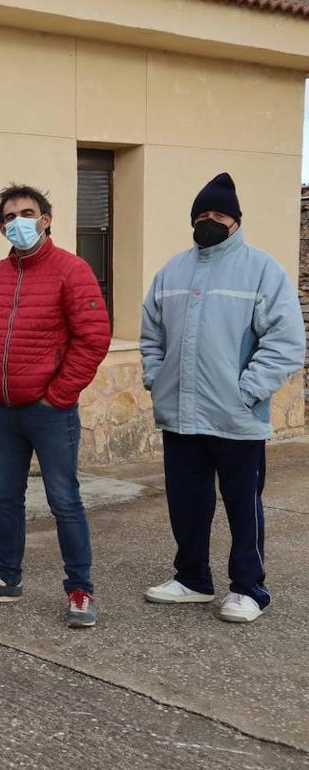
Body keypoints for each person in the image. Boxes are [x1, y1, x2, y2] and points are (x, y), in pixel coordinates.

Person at [140, 172, 304, 623]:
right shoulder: (171, 270)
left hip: (236, 417)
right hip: (180, 416)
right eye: (201, 215)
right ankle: (192, 578)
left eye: (219, 214)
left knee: (243, 507)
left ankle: (249, 588)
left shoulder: (262, 269)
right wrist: (156, 377)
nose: (209, 221)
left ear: (236, 220)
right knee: (187, 504)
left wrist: (247, 390)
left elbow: (287, 341)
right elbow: (151, 334)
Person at [0, 184, 111, 629]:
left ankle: (80, 589)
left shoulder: (72, 270)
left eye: (27, 213)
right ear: (1, 225)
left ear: (46, 219)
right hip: (1, 410)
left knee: (64, 499)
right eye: (10, 216)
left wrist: (59, 394)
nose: (18, 222)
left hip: (50, 411)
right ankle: (6, 577)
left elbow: (93, 338)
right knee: (4, 496)